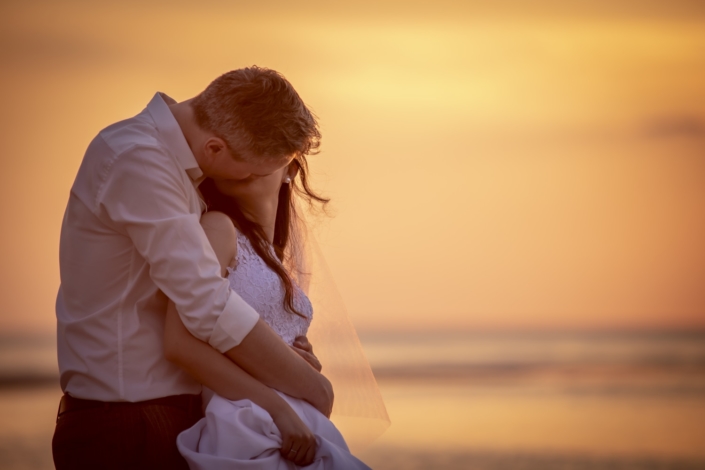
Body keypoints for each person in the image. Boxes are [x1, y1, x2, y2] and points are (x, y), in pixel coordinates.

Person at [53, 67, 334, 469]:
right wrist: (313, 390)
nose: (251, 181)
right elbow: (205, 303)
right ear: (216, 147)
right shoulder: (138, 158)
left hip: (165, 418)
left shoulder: (172, 167)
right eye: (253, 170)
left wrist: (284, 356)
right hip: (127, 426)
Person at [165, 157, 371, 468]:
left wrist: (297, 362)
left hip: (299, 425)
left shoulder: (275, 257)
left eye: (263, 151)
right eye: (234, 153)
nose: (243, 161)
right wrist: (280, 407)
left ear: (291, 170)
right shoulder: (217, 228)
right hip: (245, 424)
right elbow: (183, 343)